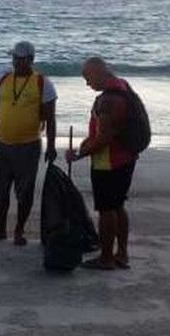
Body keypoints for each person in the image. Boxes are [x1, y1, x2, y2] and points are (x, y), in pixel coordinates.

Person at [0, 41, 58, 246]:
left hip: (28, 146)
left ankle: (19, 231)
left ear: (31, 59)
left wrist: (51, 146)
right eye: (14, 58)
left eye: (20, 59)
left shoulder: (42, 83)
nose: (16, 62)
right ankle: (1, 228)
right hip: (1, 144)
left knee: (25, 192)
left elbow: (51, 118)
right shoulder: (3, 79)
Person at [66, 57, 137, 270]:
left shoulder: (107, 101)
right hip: (127, 156)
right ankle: (121, 253)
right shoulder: (124, 87)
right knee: (118, 205)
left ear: (98, 73)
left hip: (109, 161)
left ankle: (106, 258)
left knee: (106, 209)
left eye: (87, 77)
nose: (87, 83)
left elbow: (104, 138)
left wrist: (80, 154)